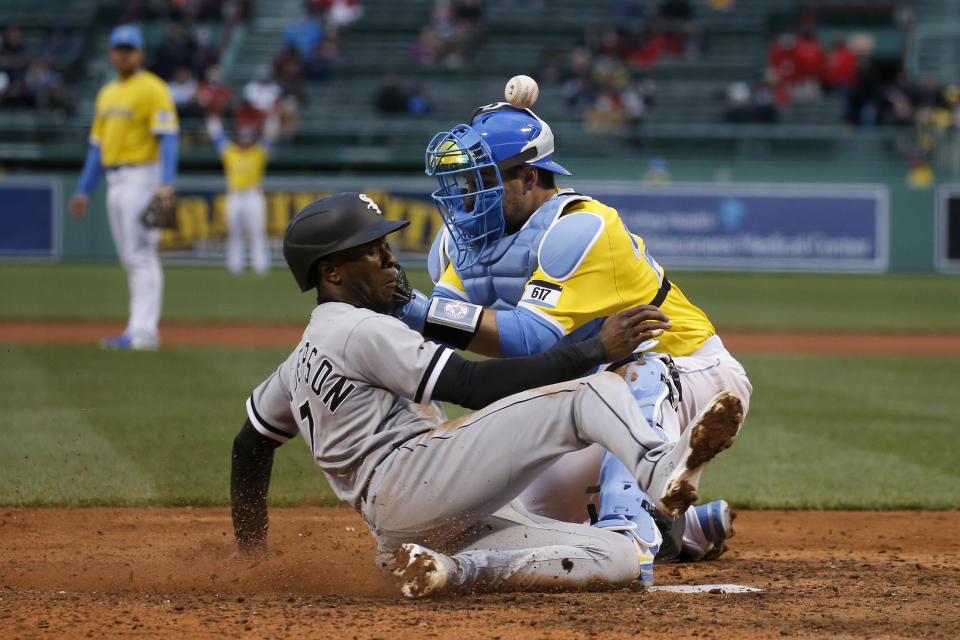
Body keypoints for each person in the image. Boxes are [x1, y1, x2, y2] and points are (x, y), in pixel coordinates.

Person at [229, 191, 745, 597]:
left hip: (410, 522)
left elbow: (250, 445)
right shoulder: (359, 329)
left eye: (386, 246)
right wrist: (596, 348)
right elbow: (473, 387)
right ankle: (661, 470)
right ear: (332, 272)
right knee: (592, 391)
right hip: (417, 476)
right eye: (373, 251)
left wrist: (251, 553)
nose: (390, 259)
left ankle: (448, 571)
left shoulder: (300, 359)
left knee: (621, 559)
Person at [396, 102, 754, 566]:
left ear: (528, 178)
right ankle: (685, 531)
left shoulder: (581, 226)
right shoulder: (460, 241)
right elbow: (442, 331)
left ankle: (629, 541)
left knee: (634, 372)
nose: (467, 196)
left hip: (690, 373)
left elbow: (527, 338)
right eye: (465, 181)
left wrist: (411, 307)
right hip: (590, 402)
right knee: (504, 522)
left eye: (483, 180)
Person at [69, 25, 179, 350]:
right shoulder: (106, 92)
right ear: (111, 52)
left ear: (140, 53)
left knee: (141, 255)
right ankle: (137, 328)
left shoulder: (153, 88)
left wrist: (166, 184)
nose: (124, 53)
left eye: (130, 48)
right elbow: (97, 148)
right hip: (115, 181)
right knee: (131, 257)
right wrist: (83, 190)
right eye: (119, 48)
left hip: (142, 176)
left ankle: (144, 332)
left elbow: (169, 138)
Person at [206, 111, 279, 275]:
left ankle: (260, 266)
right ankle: (235, 266)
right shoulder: (230, 151)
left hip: (252, 195)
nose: (245, 141)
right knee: (234, 232)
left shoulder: (257, 152)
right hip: (234, 195)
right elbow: (217, 138)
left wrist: (274, 117)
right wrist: (213, 119)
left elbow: (270, 135)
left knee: (257, 231)